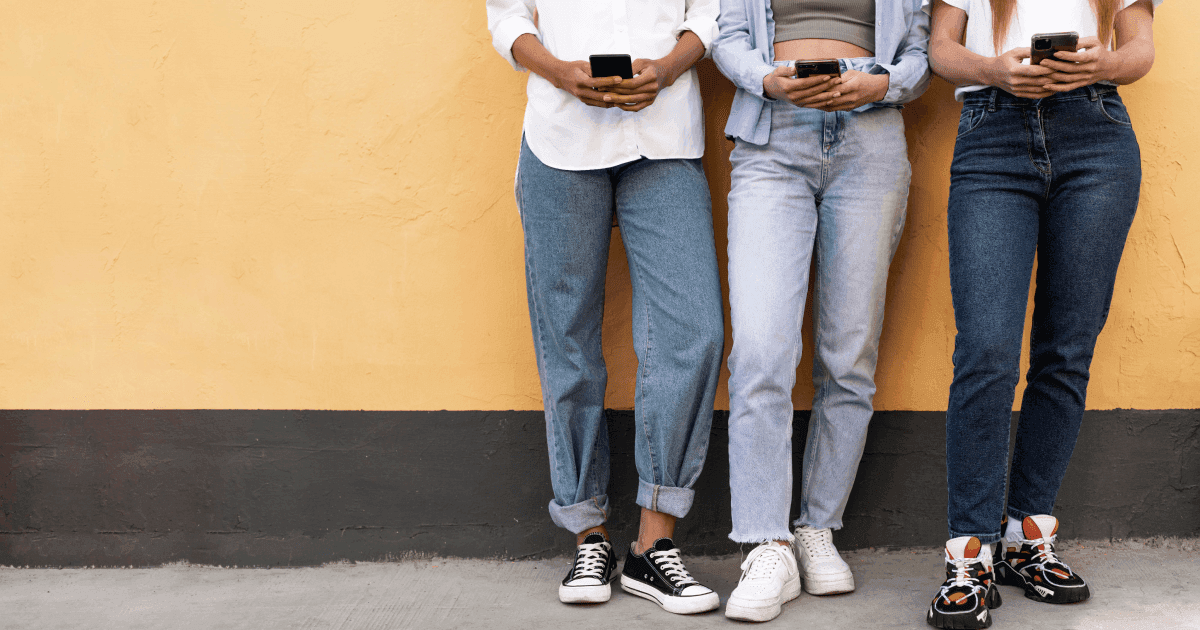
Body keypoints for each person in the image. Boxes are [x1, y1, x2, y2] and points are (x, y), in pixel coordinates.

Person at [485, 0, 725, 616]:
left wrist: (667, 69)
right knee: (565, 338)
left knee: (693, 332)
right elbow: (509, 18)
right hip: (560, 138)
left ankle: (653, 545)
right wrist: (559, 72)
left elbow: (710, 12)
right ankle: (587, 534)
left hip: (665, 136)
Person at [925, 1, 1160, 627]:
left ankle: (1028, 537)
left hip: (1097, 137)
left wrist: (1099, 64)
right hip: (991, 133)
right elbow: (941, 48)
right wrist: (993, 70)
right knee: (986, 351)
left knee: (1066, 349)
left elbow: (1140, 50)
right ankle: (970, 555)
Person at [712, 0, 931, 622]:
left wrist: (882, 84)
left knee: (848, 355)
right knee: (760, 350)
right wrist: (765, 78)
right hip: (771, 138)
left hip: (870, 141)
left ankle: (817, 527)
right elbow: (727, 35)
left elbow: (921, 53)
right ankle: (766, 543)